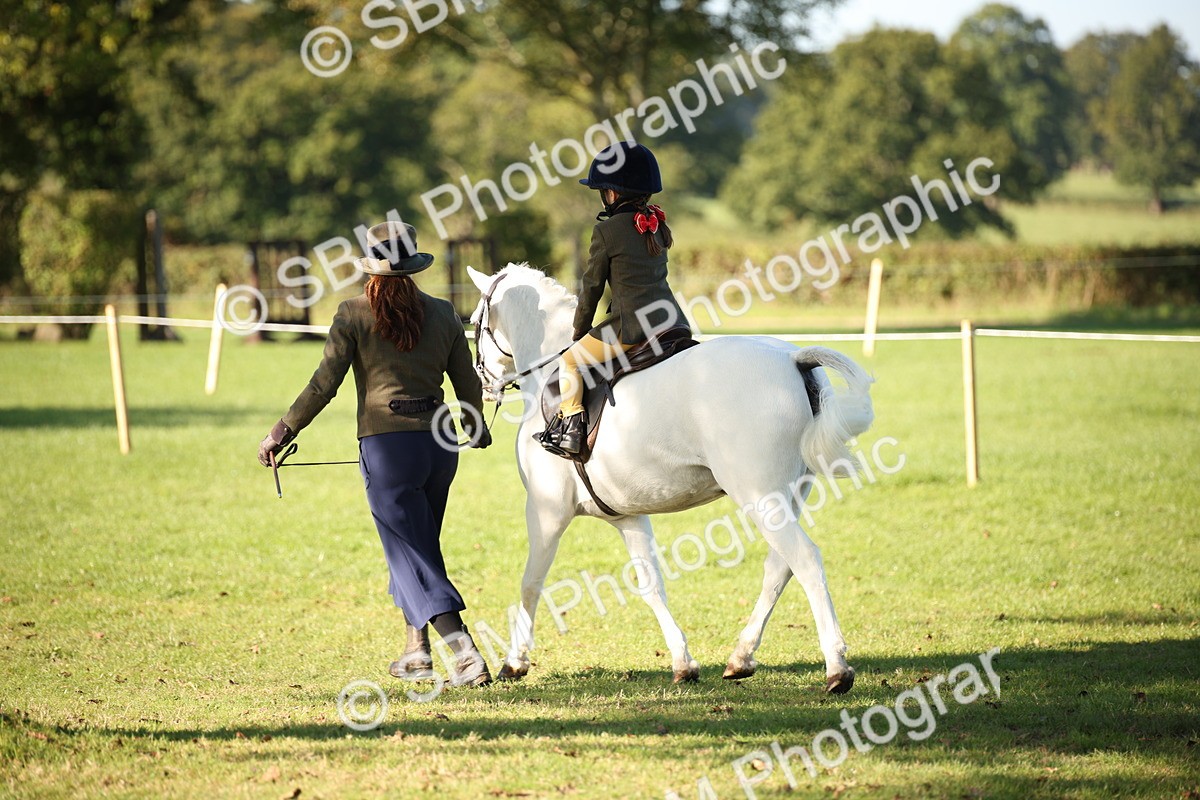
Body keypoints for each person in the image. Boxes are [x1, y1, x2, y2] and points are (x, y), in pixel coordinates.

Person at [257, 221, 493, 687]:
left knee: (411, 552)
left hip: (387, 451)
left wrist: (283, 430)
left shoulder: (352, 313)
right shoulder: (444, 313)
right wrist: (476, 424)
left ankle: (463, 653)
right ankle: (416, 651)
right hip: (441, 447)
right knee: (418, 547)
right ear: (412, 266)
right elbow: (466, 381)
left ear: (370, 266)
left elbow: (324, 384)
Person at [538, 141, 687, 456]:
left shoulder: (608, 231)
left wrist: (579, 332)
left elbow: (591, 287)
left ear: (613, 193)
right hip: (672, 320)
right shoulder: (657, 225)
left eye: (603, 191)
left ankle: (572, 433)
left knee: (570, 362)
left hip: (632, 327)